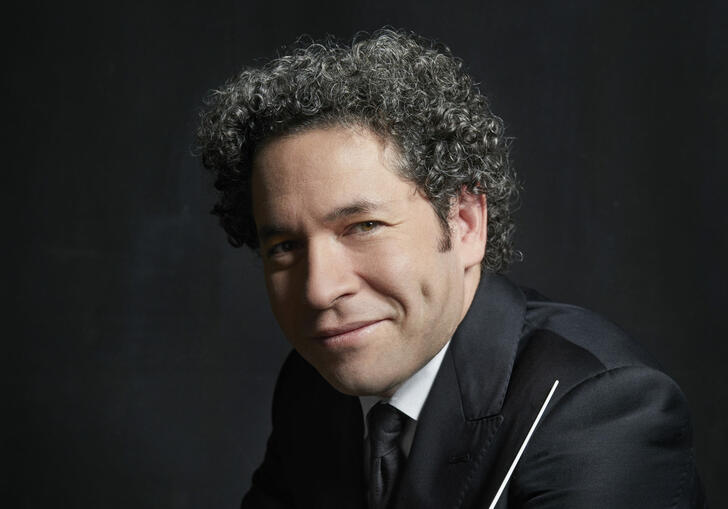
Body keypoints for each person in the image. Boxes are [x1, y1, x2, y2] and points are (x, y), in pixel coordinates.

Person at [195, 29, 706, 508]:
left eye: (363, 226)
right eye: (284, 246)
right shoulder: (315, 383)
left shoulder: (602, 410)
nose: (319, 290)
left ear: (464, 224)